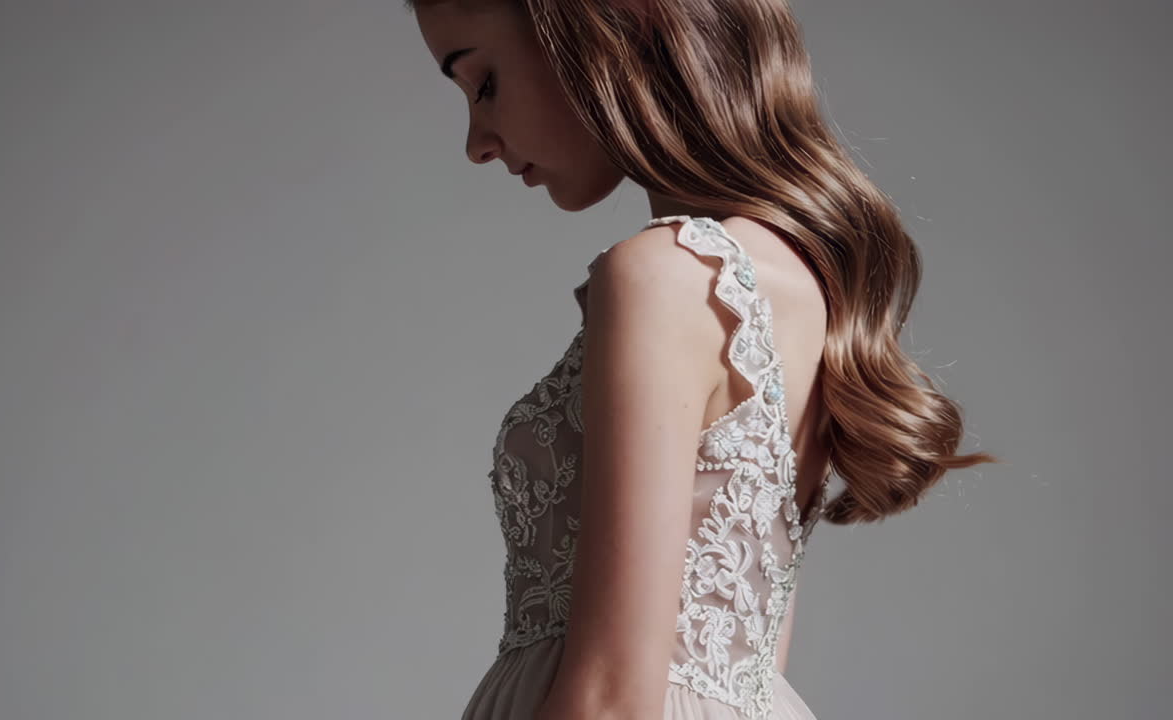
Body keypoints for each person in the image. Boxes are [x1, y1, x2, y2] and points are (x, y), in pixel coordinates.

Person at [405, 1, 999, 718]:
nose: (477, 142)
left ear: (602, 29)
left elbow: (611, 703)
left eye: (484, 82)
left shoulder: (662, 278)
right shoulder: (798, 280)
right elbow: (746, 654)